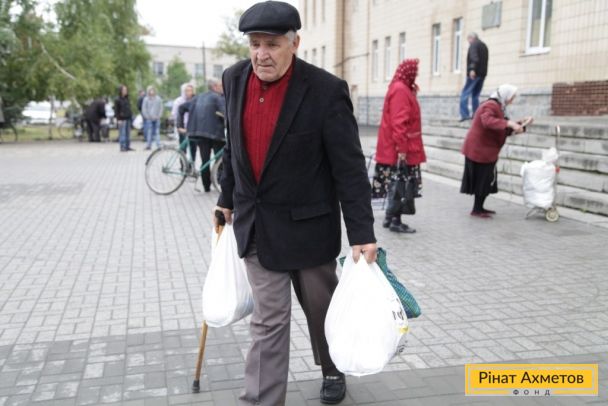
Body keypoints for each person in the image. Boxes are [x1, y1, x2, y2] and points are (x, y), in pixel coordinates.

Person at [213, 2, 377, 405]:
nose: (261, 54)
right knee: (268, 321)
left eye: (272, 44)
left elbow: (349, 168)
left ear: (295, 43)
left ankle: (333, 368)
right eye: (255, 44)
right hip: (257, 226)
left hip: (309, 228)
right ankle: (261, 400)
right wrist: (226, 198)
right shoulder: (234, 79)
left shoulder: (325, 91)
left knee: (322, 311)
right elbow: (233, 147)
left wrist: (362, 233)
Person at [460, 84, 533, 217]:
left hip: (486, 151)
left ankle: (480, 208)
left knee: (487, 180)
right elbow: (487, 121)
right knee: (482, 180)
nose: (512, 100)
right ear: (506, 95)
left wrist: (521, 124)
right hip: (479, 151)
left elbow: (501, 127)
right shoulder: (490, 105)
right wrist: (510, 123)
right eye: (512, 97)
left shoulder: (499, 107)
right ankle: (476, 210)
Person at [373, 59, 426, 233]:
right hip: (399, 150)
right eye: (415, 71)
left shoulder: (400, 88)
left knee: (396, 184)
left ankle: (390, 217)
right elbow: (399, 122)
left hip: (394, 148)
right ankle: (395, 220)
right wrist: (402, 150)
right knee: (400, 185)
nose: (416, 75)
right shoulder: (401, 90)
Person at [177, 78, 225, 192]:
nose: (223, 88)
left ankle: (206, 186)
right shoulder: (218, 98)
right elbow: (226, 114)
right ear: (215, 87)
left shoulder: (197, 97)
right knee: (221, 159)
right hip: (216, 134)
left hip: (199, 134)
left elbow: (181, 108)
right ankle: (220, 182)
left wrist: (180, 125)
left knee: (205, 160)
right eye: (220, 86)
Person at [459, 33, 489, 121]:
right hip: (482, 74)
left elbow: (474, 58)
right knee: (475, 95)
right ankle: (476, 115)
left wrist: (472, 69)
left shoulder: (474, 45)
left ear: (472, 38)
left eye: (468, 39)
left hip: (474, 74)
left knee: (465, 93)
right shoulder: (484, 46)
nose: (468, 42)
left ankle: (464, 115)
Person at [171, 83, 194, 149]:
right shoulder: (178, 101)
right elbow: (174, 114)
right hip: (182, 126)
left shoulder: (194, 100)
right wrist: (179, 126)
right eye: (187, 90)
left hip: (192, 126)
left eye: (190, 90)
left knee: (193, 146)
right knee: (183, 146)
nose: (189, 92)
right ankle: (182, 155)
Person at [114, 85, 134, 152]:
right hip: (122, 119)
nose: (125, 91)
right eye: (124, 90)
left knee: (128, 133)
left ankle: (127, 146)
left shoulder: (127, 99)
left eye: (126, 90)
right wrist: (118, 119)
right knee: (122, 133)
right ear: (121, 91)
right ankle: (122, 146)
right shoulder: (117, 99)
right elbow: (116, 110)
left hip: (128, 118)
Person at [142, 86, 163, 150]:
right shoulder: (146, 99)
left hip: (157, 118)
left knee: (157, 132)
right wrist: (147, 116)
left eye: (153, 90)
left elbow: (161, 108)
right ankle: (148, 145)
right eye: (150, 90)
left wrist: (159, 116)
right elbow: (144, 109)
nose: (152, 92)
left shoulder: (158, 99)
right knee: (149, 132)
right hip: (149, 118)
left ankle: (158, 145)